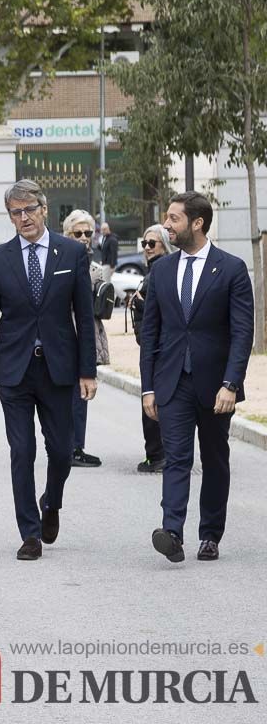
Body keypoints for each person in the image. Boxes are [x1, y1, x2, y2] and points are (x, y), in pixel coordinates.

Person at [0, 180, 96, 561]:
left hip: (59, 369)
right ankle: (29, 533)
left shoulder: (72, 253)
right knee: (21, 451)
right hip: (14, 370)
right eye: (15, 212)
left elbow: (85, 317)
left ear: (44, 209)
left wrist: (87, 371)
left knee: (61, 451)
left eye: (29, 209)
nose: (23, 218)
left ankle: (51, 501)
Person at [140, 192, 253, 564]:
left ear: (197, 223)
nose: (167, 225)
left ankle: (210, 535)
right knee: (176, 457)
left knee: (216, 458)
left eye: (173, 219)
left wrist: (231, 384)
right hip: (173, 381)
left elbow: (242, 333)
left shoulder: (232, 269)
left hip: (216, 384)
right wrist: (149, 387)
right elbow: (151, 333)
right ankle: (172, 531)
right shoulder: (161, 271)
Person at [62, 210, 109, 469]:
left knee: (83, 393)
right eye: (77, 233)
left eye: (88, 233)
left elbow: (101, 309)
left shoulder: (95, 269)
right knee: (67, 394)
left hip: (87, 335)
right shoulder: (60, 262)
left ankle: (76, 446)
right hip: (65, 335)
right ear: (67, 234)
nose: (83, 238)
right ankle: (66, 446)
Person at [129, 224, 175, 474]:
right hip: (156, 346)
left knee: (153, 399)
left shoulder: (160, 271)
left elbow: (161, 314)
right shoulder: (156, 270)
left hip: (158, 349)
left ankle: (157, 455)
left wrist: (140, 304)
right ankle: (162, 454)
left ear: (165, 245)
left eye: (152, 243)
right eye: (144, 243)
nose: (147, 248)